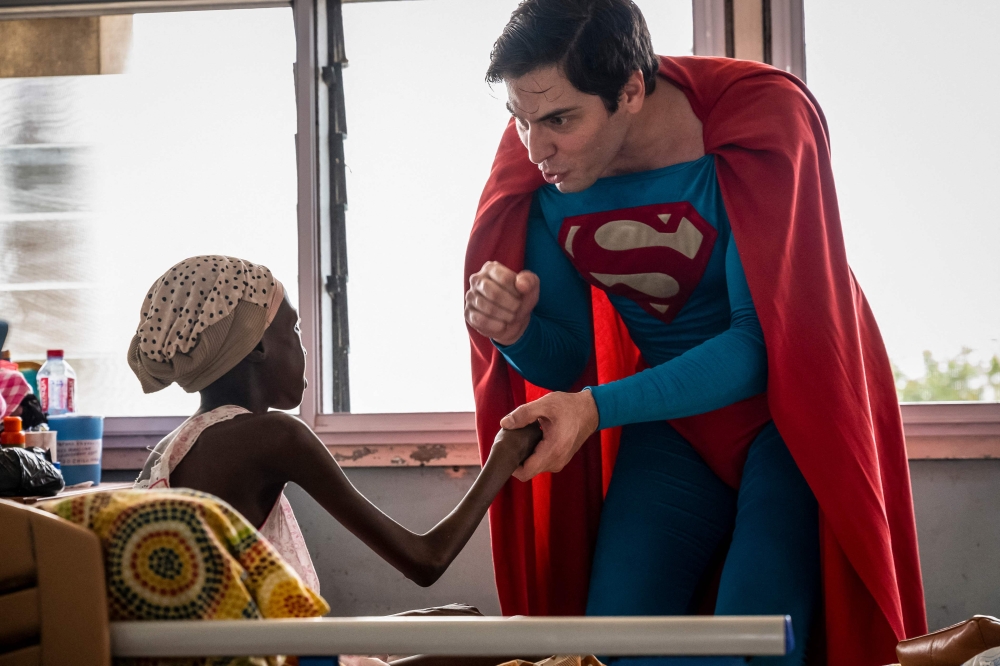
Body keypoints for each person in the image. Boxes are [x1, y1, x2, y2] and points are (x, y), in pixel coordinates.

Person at [464, 1, 927, 664]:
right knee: (606, 651)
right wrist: (514, 331)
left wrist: (596, 408)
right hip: (672, 433)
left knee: (754, 647)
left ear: (629, 90)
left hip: (788, 425)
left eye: (559, 119)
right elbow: (566, 361)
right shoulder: (543, 173)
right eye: (519, 119)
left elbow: (759, 348)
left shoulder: (753, 124)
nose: (534, 148)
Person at [131, 255, 540, 601]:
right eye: (293, 330)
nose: (303, 347)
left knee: (454, 623)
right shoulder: (274, 435)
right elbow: (426, 559)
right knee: (489, 642)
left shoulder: (169, 451)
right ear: (256, 346)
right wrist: (505, 452)